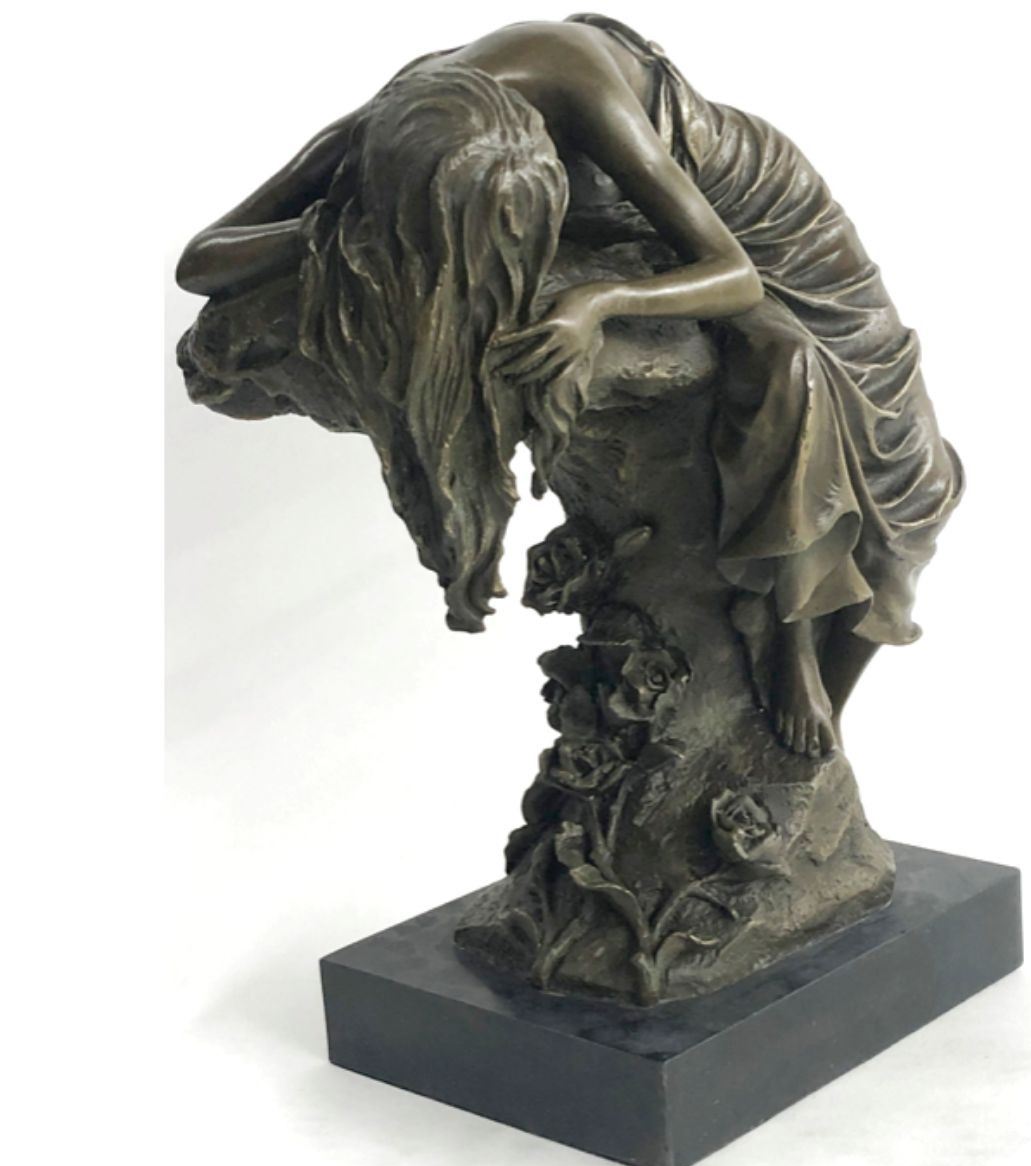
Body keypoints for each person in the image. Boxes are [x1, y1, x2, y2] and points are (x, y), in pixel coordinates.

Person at [177, 14, 962, 759]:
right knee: (790, 372)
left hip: (761, 228)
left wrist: (598, 302)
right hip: (638, 243)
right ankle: (787, 647)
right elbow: (202, 260)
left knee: (910, 480)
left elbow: (734, 273)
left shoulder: (566, 71)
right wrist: (359, 228)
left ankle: (809, 671)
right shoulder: (384, 133)